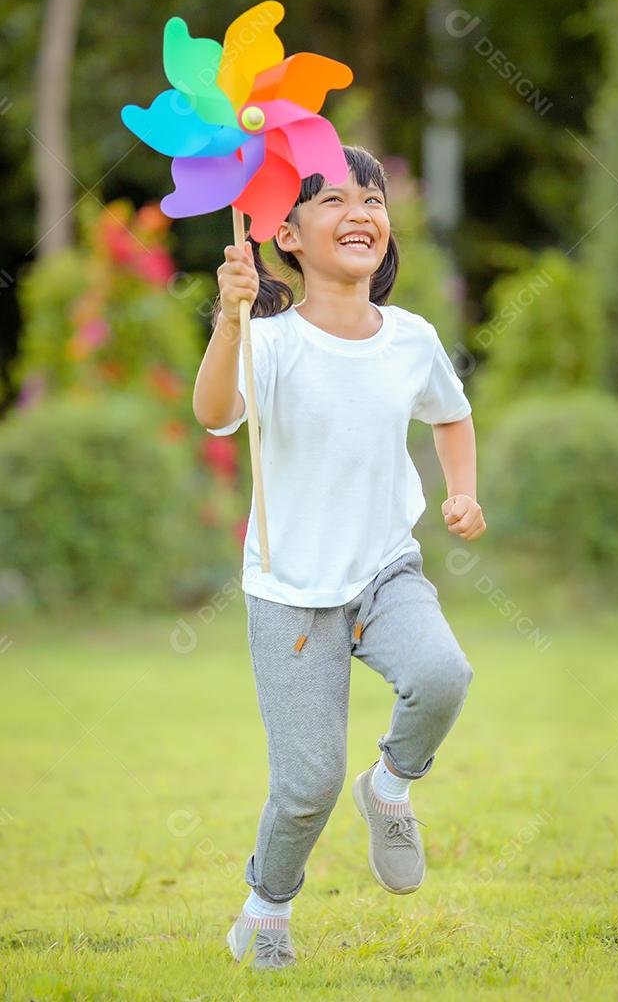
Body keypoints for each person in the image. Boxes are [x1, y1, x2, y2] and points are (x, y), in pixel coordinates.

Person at [192, 145, 486, 971]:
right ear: (284, 232)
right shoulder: (271, 342)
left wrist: (462, 492)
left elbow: (451, 416)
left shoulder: (411, 338)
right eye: (334, 201)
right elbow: (214, 411)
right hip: (290, 592)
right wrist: (230, 317)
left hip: (386, 568)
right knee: (307, 786)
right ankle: (266, 912)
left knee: (443, 675)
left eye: (373, 198)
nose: (361, 212)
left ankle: (391, 784)